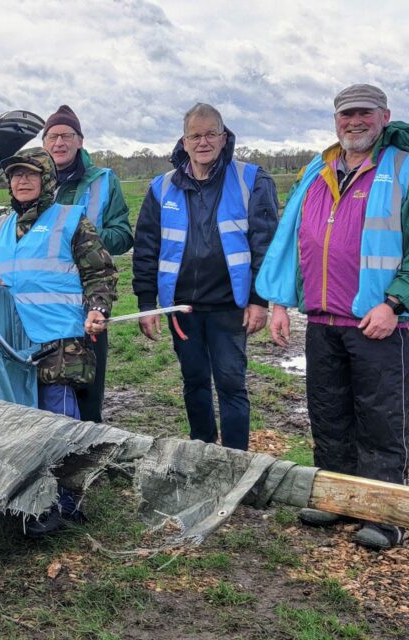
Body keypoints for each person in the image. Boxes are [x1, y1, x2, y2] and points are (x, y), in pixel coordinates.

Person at [256, 84, 409, 550]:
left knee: (381, 422)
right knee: (329, 417)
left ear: (384, 116)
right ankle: (337, 498)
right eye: (346, 114)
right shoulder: (316, 171)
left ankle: (384, 516)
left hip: (377, 324)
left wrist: (395, 304)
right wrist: (279, 302)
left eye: (364, 113)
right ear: (335, 120)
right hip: (323, 322)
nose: (354, 122)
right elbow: (290, 238)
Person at [0, 148, 117, 534]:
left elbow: (99, 271)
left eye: (30, 175)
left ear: (46, 179)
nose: (21, 181)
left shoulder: (70, 220)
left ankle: (66, 501)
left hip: (59, 337)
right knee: (21, 419)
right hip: (11, 343)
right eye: (15, 176)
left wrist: (98, 308)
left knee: (59, 418)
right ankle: (28, 498)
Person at [132, 103, 280, 452]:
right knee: (194, 381)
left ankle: (234, 460)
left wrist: (260, 301)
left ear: (223, 137)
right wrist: (146, 303)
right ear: (183, 141)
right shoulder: (161, 187)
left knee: (231, 384)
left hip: (231, 306)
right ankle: (201, 452)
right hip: (182, 308)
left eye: (210, 133)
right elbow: (146, 247)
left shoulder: (251, 180)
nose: (203, 141)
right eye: (195, 135)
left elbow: (265, 246)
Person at [43, 105, 134, 423]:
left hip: (89, 298)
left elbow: (123, 235)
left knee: (87, 384)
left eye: (66, 135)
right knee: (49, 385)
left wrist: (84, 240)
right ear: (44, 144)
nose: (59, 142)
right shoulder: (35, 182)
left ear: (80, 141)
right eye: (52, 136)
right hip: (45, 301)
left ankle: (92, 449)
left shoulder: (103, 180)